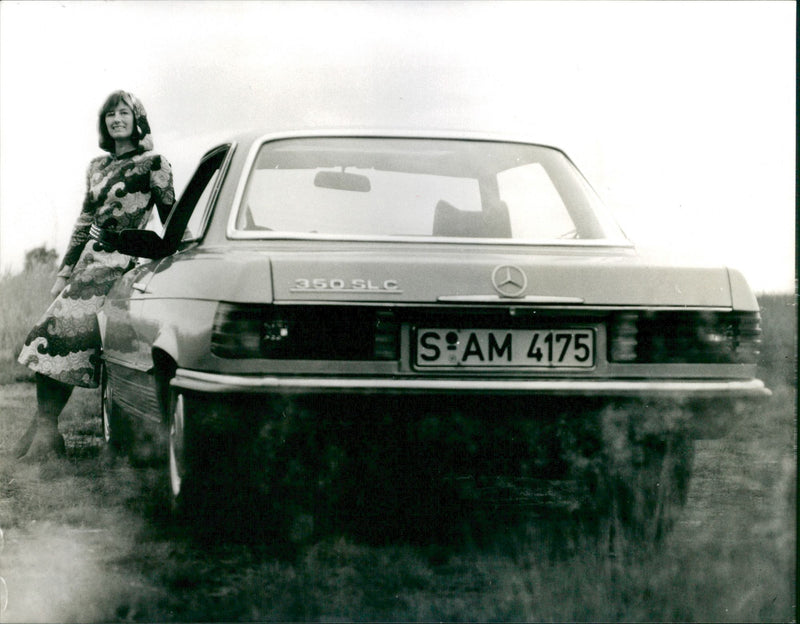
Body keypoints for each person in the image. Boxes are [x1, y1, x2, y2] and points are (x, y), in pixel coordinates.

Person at [14, 90, 175, 461]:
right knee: (47, 337)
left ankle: (45, 433)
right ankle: (45, 431)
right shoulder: (96, 167)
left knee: (54, 335)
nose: (116, 119)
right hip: (88, 264)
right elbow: (84, 223)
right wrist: (64, 270)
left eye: (123, 112)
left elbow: (171, 222)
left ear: (137, 119)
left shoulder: (155, 163)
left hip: (124, 262)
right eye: (110, 115)